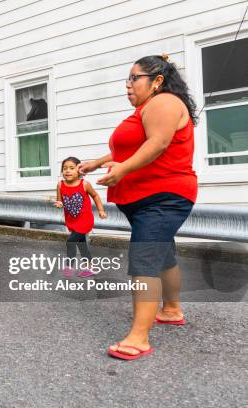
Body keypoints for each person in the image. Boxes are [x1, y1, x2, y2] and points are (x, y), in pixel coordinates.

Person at [79, 54, 198, 360]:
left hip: (163, 196)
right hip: (146, 197)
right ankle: (171, 310)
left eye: (134, 78)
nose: (128, 85)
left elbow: (157, 143)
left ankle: (139, 337)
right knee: (163, 254)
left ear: (157, 80)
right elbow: (132, 147)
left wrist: (121, 170)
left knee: (144, 256)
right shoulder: (148, 108)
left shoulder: (165, 103)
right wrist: (99, 162)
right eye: (127, 79)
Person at [55, 157, 106, 278]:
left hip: (85, 220)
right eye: (65, 168)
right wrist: (59, 203)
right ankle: (91, 268)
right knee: (82, 245)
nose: (67, 171)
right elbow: (59, 200)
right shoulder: (60, 185)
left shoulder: (84, 184)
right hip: (72, 220)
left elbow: (95, 196)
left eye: (72, 168)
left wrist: (101, 210)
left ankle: (69, 266)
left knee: (71, 241)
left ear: (79, 170)